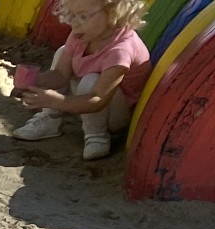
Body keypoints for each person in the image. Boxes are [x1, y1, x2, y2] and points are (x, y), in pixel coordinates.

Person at [10, 0, 149, 162]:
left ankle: (97, 136)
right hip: (84, 102)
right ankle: (50, 119)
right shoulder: (83, 33)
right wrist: (34, 80)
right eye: (72, 15)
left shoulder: (120, 51)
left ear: (113, 14)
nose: (74, 23)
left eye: (83, 16)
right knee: (62, 52)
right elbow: (61, 74)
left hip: (113, 116)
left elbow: (98, 99)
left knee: (91, 80)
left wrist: (56, 101)